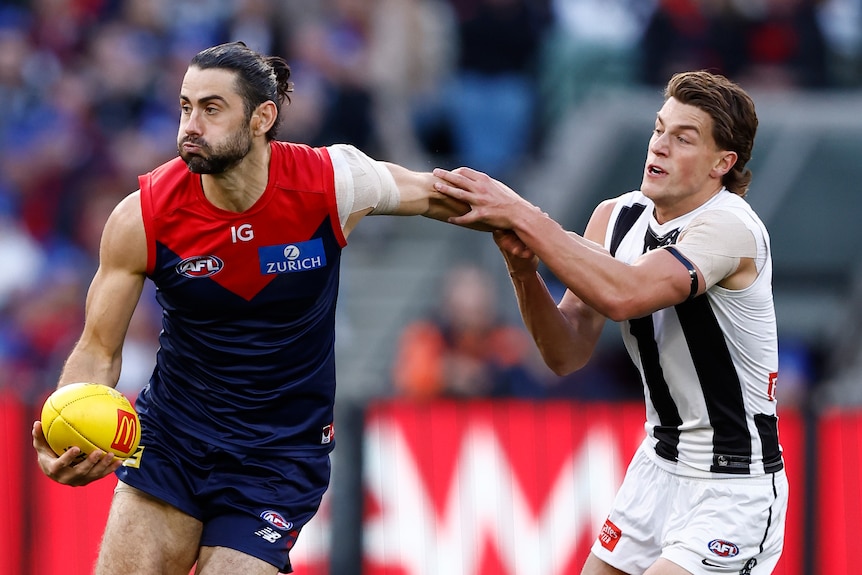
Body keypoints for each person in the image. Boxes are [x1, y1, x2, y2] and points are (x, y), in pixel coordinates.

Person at [31, 41, 477, 575]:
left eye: (211, 109)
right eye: (185, 106)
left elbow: (438, 194)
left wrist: (534, 229)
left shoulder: (330, 182)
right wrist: (68, 432)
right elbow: (98, 349)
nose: (190, 125)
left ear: (263, 117)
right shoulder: (143, 216)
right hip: (173, 440)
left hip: (278, 459)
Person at [433, 70, 788, 574]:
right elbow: (566, 352)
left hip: (732, 482)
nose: (660, 146)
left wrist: (523, 214)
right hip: (657, 466)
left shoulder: (730, 227)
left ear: (721, 164)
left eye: (683, 138)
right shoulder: (615, 217)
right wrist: (522, 269)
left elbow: (627, 293)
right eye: (658, 129)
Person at [392, 263, 548, 399]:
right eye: (466, 310)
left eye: (479, 309)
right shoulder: (426, 335)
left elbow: (534, 382)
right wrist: (447, 373)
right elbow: (408, 381)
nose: (474, 315)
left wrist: (489, 374)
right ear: (450, 305)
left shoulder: (507, 338)